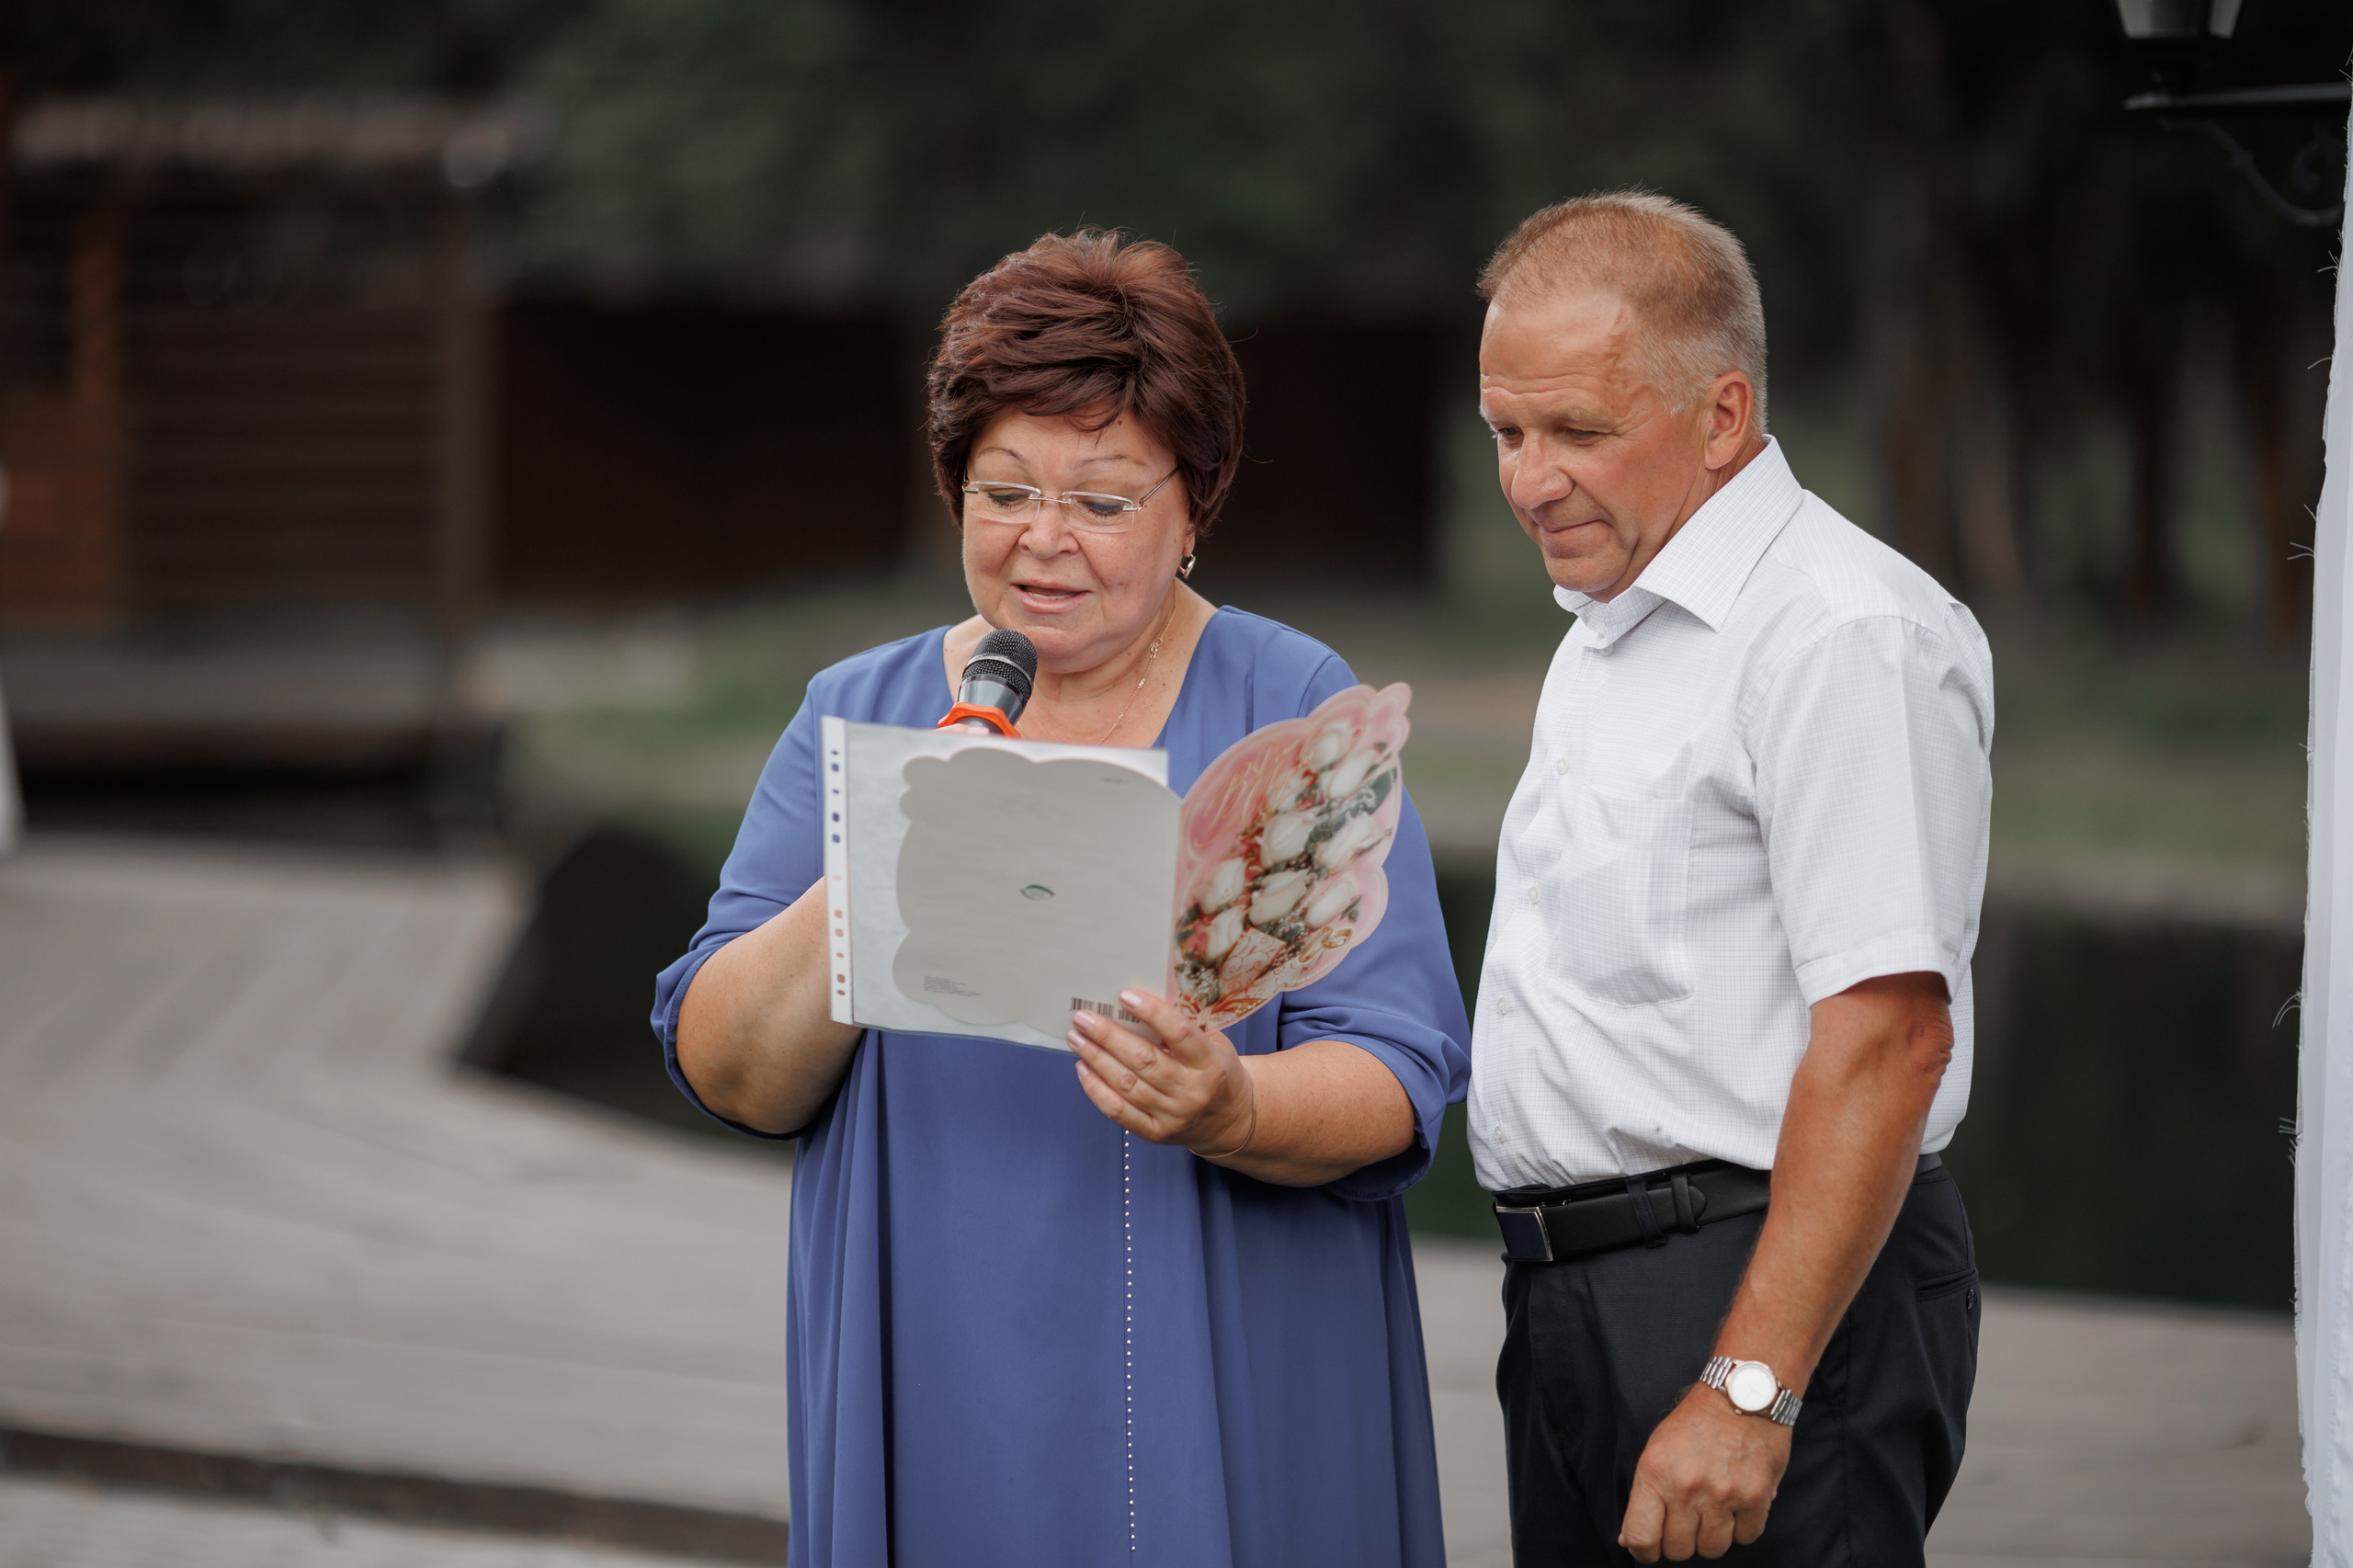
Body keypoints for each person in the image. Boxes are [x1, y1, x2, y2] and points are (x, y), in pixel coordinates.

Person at [654, 230, 1472, 1568]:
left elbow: (1402, 1071)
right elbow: (730, 1067)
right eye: (1005, 492)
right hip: (939, 1358)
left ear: (1193, 504)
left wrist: (1237, 1104)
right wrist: (886, 852)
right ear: (951, 489)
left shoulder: (1288, 699)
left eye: (1101, 501)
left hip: (1235, 1356)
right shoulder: (856, 712)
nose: (1044, 542)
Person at [1466, 191, 1994, 1565]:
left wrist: (1750, 1385)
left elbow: (1889, 1037)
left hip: (1760, 1292)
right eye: (1507, 433)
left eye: (1578, 431)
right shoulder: (1613, 623)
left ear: (1721, 413)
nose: (1529, 480)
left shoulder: (1840, 633)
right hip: (1580, 1298)